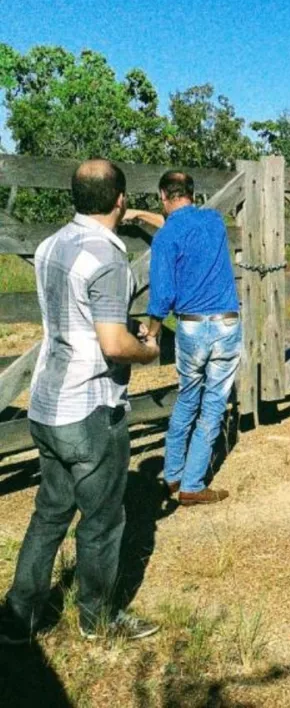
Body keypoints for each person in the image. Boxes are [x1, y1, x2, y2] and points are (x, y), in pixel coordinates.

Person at [0, 159, 161, 643]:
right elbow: (113, 344)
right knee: (103, 520)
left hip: (47, 403)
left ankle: (18, 617)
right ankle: (98, 619)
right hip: (90, 407)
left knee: (50, 512)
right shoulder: (108, 257)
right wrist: (149, 352)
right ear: (121, 201)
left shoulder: (52, 245)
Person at [143, 171, 241, 506]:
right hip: (226, 323)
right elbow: (184, 222)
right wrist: (146, 216)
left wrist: (152, 333)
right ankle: (193, 483)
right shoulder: (213, 220)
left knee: (188, 398)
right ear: (193, 194)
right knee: (214, 404)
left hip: (192, 326)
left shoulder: (166, 238)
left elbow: (161, 297)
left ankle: (173, 476)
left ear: (162, 195)